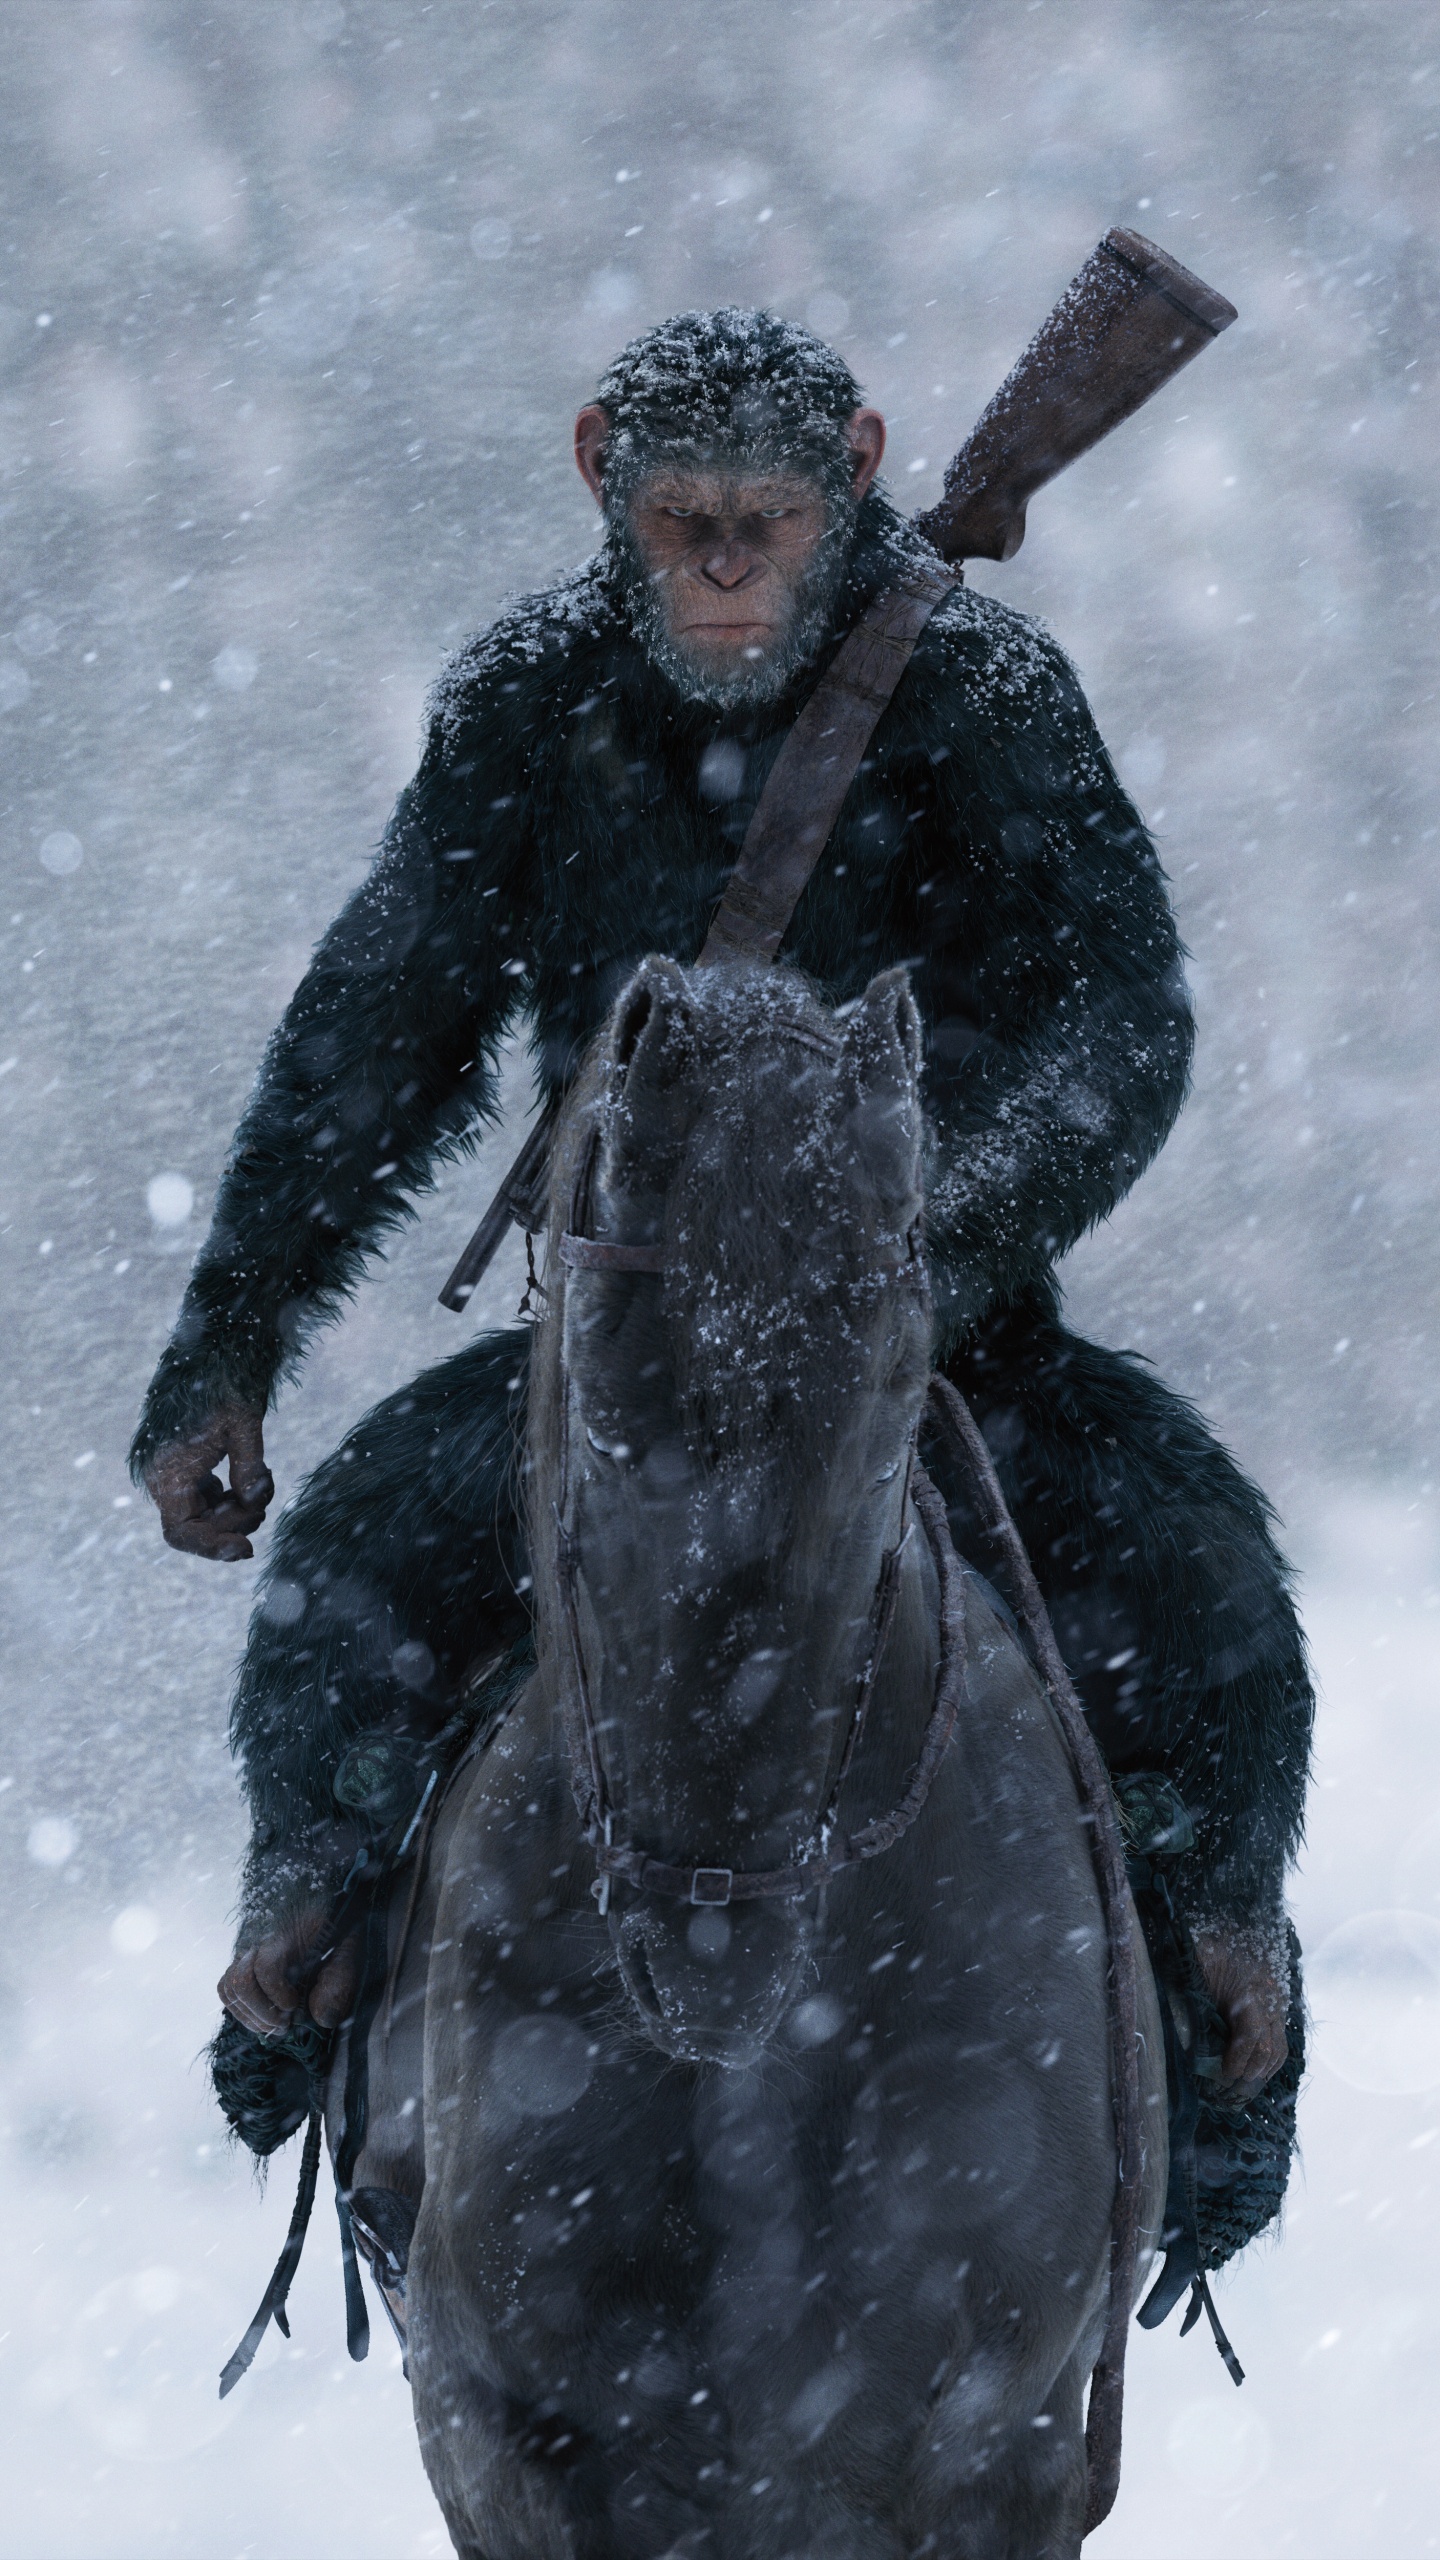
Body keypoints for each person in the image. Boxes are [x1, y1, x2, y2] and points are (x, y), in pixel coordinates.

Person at [131, 307, 1309, 2103]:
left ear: (858, 475)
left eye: (771, 524)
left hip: (950, 1346)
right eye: (689, 526)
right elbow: (377, 1033)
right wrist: (230, 1340)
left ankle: (1219, 2005)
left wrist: (921, 1256)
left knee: (1210, 1589)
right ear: (603, 478)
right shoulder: (530, 694)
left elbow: (1121, 1025)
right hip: (619, 1356)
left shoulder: (977, 688)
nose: (730, 572)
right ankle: (312, 1949)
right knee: (350, 1574)